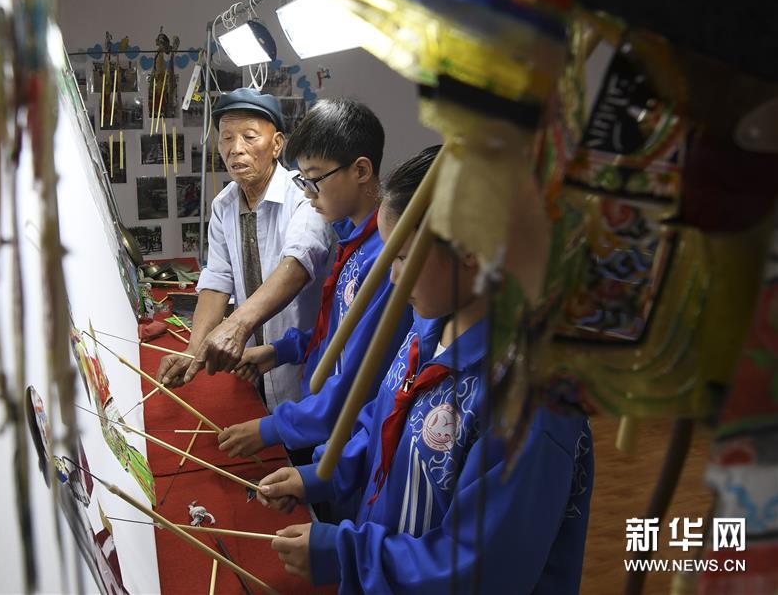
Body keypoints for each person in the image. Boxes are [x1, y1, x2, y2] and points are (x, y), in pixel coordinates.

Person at [255, 146, 595, 593]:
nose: (392, 278)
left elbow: (480, 571)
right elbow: (381, 424)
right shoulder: (428, 326)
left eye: (402, 258)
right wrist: (319, 475)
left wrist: (346, 554)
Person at [216, 99, 412, 470]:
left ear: (361, 170)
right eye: (303, 180)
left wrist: (270, 429)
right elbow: (336, 336)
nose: (307, 193)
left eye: (315, 179)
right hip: (327, 434)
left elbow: (355, 382)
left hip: (350, 450)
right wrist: (280, 351)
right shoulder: (351, 242)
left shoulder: (385, 259)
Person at [156, 88, 334, 412]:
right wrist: (193, 350)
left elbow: (297, 265)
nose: (236, 150)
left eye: (250, 137)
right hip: (253, 369)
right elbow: (217, 279)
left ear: (277, 144)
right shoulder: (224, 205)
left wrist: (235, 325)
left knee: (305, 449)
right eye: (226, 138)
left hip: (308, 369)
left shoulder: (304, 196)